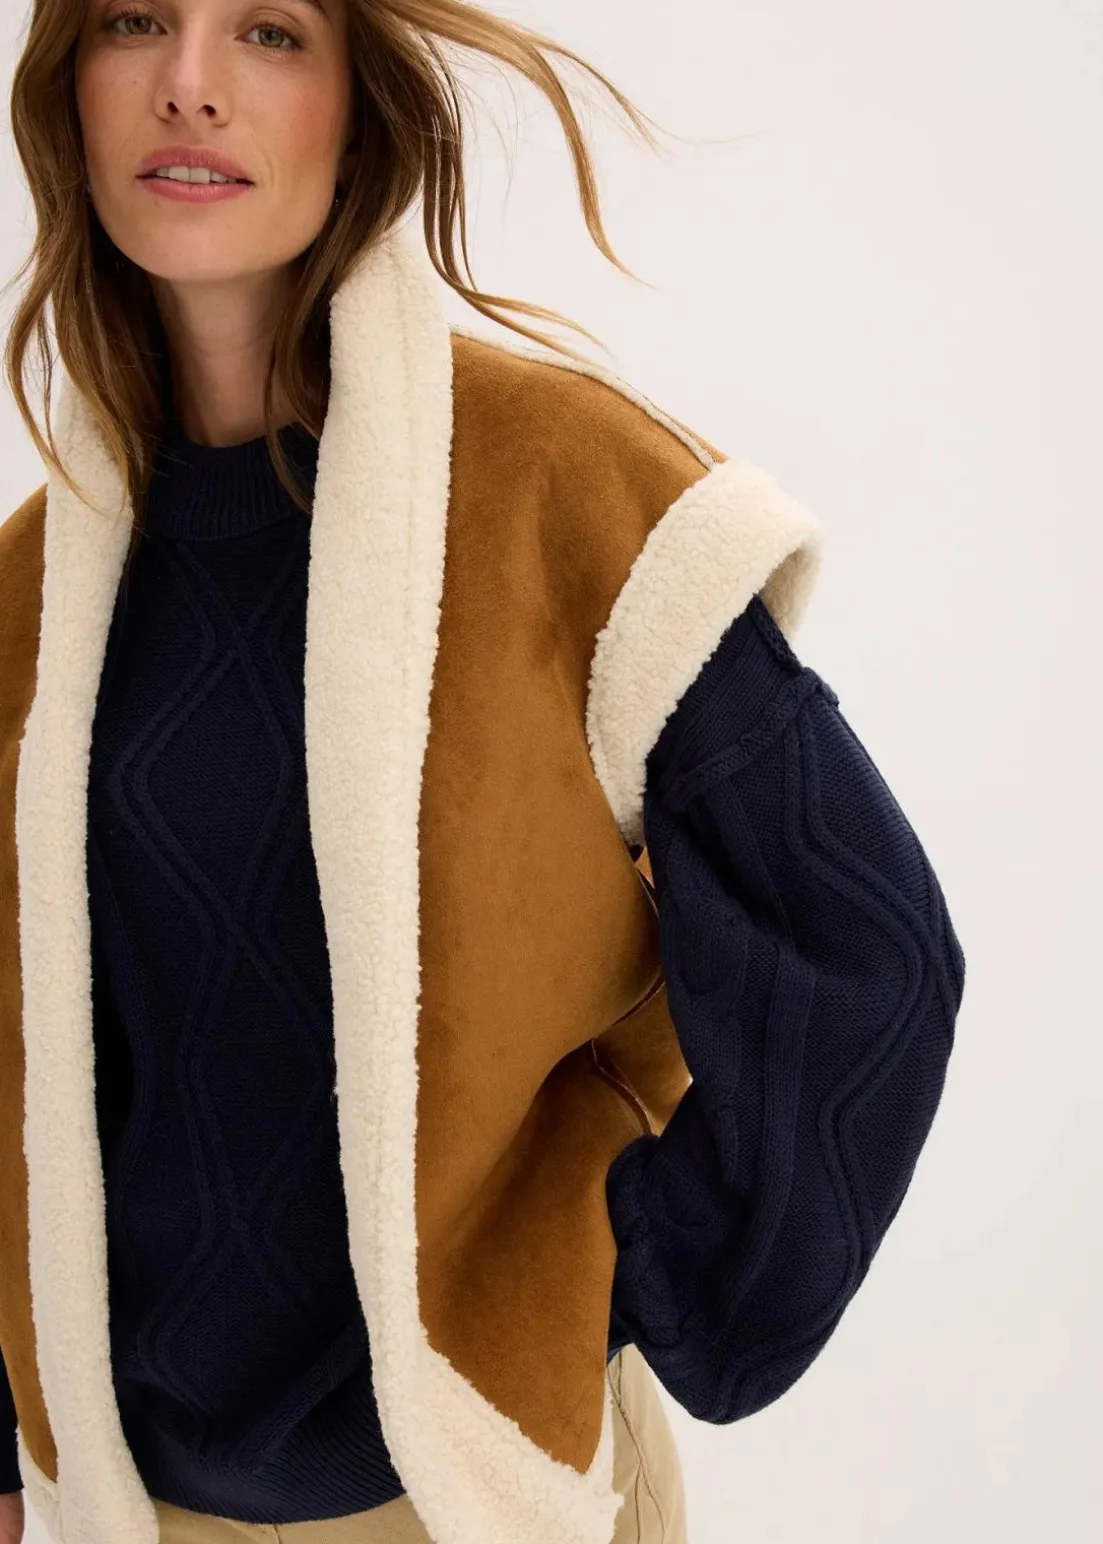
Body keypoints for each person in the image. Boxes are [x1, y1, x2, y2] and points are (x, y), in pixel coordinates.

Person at [0, 3, 968, 1543]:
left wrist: (635, 1281)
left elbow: (865, 956)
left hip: (478, 1500)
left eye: (267, 32)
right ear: (68, 92)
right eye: (133, 21)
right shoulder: (30, 594)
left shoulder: (559, 489)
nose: (189, 87)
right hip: (141, 1511)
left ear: (358, 109)